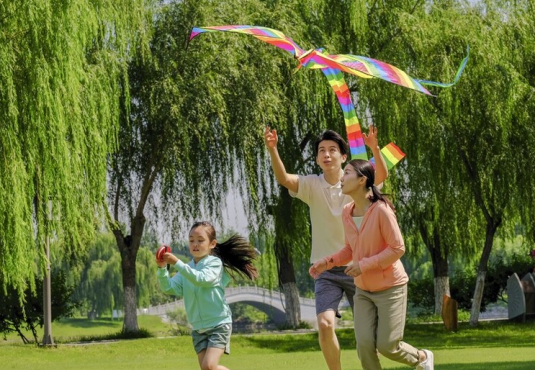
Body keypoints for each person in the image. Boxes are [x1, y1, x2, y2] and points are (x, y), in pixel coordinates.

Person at [265, 126, 389, 370]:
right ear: (317, 158)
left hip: (359, 267)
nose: (327, 155)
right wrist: (273, 149)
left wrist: (374, 148)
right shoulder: (311, 184)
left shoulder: (356, 181)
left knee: (368, 337)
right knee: (324, 324)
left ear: (344, 157)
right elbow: (284, 178)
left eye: (333, 150)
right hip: (326, 269)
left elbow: (381, 176)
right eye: (322, 150)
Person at [311, 159, 433, 370]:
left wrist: (364, 265)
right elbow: (350, 249)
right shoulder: (347, 212)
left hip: (390, 288)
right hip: (363, 289)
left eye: (347, 173)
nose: (342, 178)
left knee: (387, 346)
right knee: (365, 345)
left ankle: (421, 358)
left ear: (362, 180)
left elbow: (397, 248)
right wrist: (327, 262)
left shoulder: (382, 211)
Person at [158, 221, 258, 370]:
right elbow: (168, 287)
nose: (195, 244)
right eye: (191, 240)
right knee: (206, 369)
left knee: (210, 366)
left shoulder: (214, 264)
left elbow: (202, 279)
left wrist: (177, 263)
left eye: (200, 240)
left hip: (219, 324)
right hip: (198, 328)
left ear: (212, 244)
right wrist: (162, 269)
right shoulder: (187, 268)